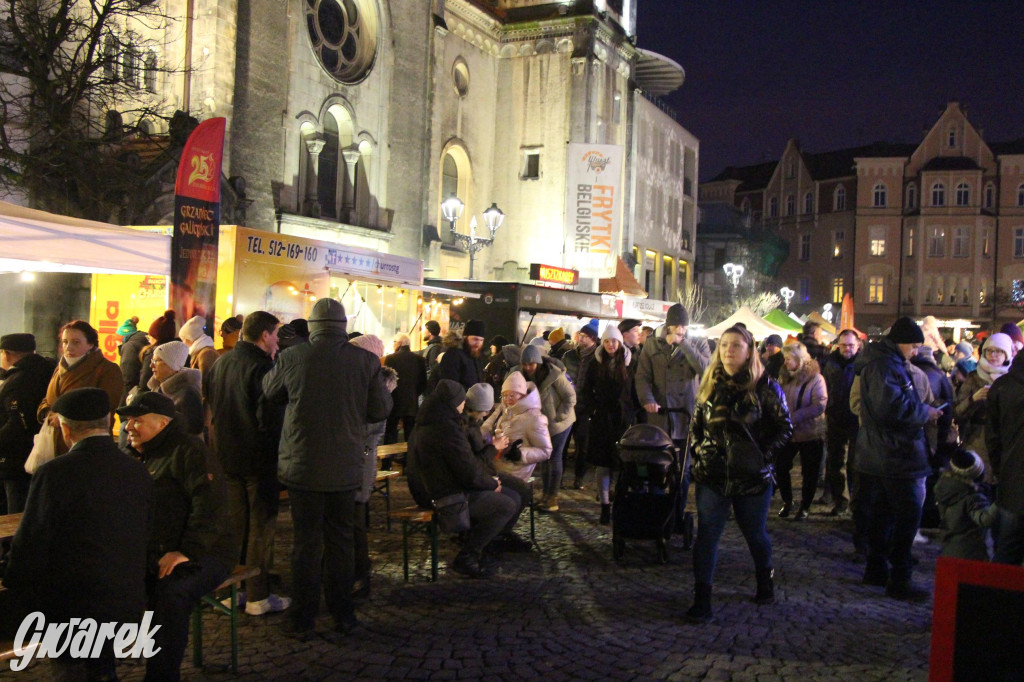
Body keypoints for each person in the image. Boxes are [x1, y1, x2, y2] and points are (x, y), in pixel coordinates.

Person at [262, 298, 392, 637]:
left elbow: (269, 391)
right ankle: (343, 614)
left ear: (314, 325)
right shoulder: (365, 361)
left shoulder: (292, 357)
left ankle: (302, 619)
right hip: (345, 467)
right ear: (343, 325)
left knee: (305, 544)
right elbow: (380, 409)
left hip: (302, 467)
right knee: (341, 542)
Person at [3, 388, 153, 680]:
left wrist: (12, 578)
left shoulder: (55, 473)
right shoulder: (136, 470)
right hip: (125, 597)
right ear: (108, 421)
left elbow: (32, 541)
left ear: (66, 429)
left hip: (72, 607)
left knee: (71, 670)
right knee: (101, 666)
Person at [118, 391, 236, 681]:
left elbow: (210, 506)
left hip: (206, 552)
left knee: (170, 592)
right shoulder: (137, 455)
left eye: (137, 420)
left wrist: (187, 551)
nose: (128, 427)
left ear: (161, 423)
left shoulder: (189, 452)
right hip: (155, 550)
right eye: (128, 421)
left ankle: (161, 675)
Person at [685, 325, 793, 623]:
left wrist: (760, 457)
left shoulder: (765, 387)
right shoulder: (709, 384)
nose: (729, 350)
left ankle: (764, 581)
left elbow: (785, 428)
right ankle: (702, 598)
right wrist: (700, 451)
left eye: (735, 345)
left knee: (755, 534)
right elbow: (696, 425)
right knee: (707, 535)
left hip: (752, 478)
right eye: (723, 345)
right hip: (713, 475)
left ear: (749, 351)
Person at [205, 311, 290, 616]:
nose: (278, 341)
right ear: (265, 335)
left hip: (226, 456)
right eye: (276, 334)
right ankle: (258, 595)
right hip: (257, 458)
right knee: (260, 527)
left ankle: (233, 591)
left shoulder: (221, 362)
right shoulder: (263, 366)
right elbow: (269, 419)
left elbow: (211, 410)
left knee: (236, 526)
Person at [853, 317, 942, 601]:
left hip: (884, 453)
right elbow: (890, 409)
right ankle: (900, 578)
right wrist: (924, 413)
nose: (916, 352)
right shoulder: (884, 366)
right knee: (906, 517)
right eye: (914, 346)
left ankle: (877, 569)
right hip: (896, 455)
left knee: (883, 515)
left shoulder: (886, 363)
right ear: (900, 342)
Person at [407, 380, 518, 578]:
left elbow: (467, 467)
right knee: (506, 504)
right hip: (442, 495)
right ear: (454, 403)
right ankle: (467, 556)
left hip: (433, 488)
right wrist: (492, 484)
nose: (464, 405)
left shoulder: (431, 421)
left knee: (512, 495)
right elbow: (469, 471)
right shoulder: (446, 429)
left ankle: (484, 544)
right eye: (461, 401)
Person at [635, 303, 711, 524]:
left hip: (685, 416)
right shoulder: (652, 345)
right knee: (657, 468)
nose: (680, 329)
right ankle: (658, 511)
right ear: (668, 325)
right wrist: (648, 399)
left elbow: (706, 369)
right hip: (660, 417)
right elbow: (642, 377)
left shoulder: (697, 342)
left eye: (683, 326)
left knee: (683, 471)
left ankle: (677, 512)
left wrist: (685, 345)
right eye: (677, 325)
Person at [349, 333, 398, 597]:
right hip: (354, 461)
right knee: (350, 520)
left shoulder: (374, 387)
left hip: (360, 462)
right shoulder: (364, 383)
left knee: (356, 520)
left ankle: (359, 573)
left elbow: (370, 427)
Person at [37, 319, 123, 456]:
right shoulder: (60, 368)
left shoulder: (107, 369)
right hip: (54, 442)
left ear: (90, 344)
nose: (68, 347)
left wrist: (63, 417)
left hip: (87, 445)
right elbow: (48, 399)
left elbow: (105, 406)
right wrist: (48, 413)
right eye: (65, 342)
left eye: (76, 342)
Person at [578, 327, 634, 525]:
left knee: (620, 464)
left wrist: (632, 414)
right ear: (603, 343)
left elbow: (633, 391)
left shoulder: (629, 362)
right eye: (608, 341)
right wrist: (593, 408)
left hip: (621, 421)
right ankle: (604, 505)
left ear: (620, 343)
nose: (611, 345)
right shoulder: (595, 362)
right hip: (602, 420)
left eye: (614, 341)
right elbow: (585, 389)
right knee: (602, 464)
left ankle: (618, 502)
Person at [516, 343, 576, 511]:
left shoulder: (554, 374)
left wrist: (559, 417)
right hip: (541, 424)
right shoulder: (523, 377)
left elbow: (570, 397)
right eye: (525, 364)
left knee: (554, 458)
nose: (528, 367)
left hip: (559, 424)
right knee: (544, 459)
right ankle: (544, 495)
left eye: (531, 364)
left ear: (538, 362)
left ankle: (553, 498)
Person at [0, 334, 55, 512]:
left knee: (15, 512)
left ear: (6, 354)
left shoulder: (17, 380)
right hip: (42, 453)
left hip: (16, 459)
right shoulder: (48, 370)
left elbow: (17, 423)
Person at [775, 341, 827, 520]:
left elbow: (819, 404)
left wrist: (793, 417)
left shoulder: (816, 379)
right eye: (785, 358)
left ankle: (805, 506)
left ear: (800, 359)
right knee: (780, 466)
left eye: (789, 358)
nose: (786, 362)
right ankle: (787, 501)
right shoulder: (784, 377)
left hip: (810, 432)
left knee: (809, 471)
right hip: (787, 433)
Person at [954, 332, 1012, 482]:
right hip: (978, 439)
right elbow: (957, 412)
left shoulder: (1012, 379)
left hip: (1005, 439)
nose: (993, 355)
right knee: (979, 483)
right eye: (989, 350)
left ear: (1007, 353)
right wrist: (973, 399)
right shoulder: (973, 377)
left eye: (998, 351)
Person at [986, 349, 1024, 565]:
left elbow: (993, 438)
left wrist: (1001, 470)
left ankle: (999, 596)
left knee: (1007, 547)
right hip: (1012, 474)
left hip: (1012, 478)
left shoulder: (1001, 386)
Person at [481, 371, 552, 482]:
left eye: (512, 395)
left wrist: (520, 454)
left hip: (514, 474)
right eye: (504, 395)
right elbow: (486, 426)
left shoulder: (535, 418)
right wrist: (486, 439)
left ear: (522, 395)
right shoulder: (504, 408)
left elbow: (545, 450)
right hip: (494, 467)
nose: (507, 399)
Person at [822, 329, 861, 517]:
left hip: (857, 420)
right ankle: (841, 501)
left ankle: (855, 501)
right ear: (838, 345)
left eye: (851, 345)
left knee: (855, 463)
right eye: (844, 345)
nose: (847, 349)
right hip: (835, 417)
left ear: (858, 345)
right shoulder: (830, 363)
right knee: (835, 462)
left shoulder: (864, 364)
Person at [934, 449, 997, 561]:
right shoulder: (972, 497)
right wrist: (1001, 500)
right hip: (971, 553)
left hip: (949, 549)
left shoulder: (944, 486)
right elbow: (984, 519)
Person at [563, 321, 599, 489]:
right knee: (562, 444)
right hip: (567, 407)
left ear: (593, 339)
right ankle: (559, 477)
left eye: (585, 337)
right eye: (580, 335)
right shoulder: (569, 356)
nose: (581, 339)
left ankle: (579, 478)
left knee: (582, 446)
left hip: (585, 408)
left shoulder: (598, 357)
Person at [145, 340, 205, 437]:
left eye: (156, 361)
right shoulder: (157, 387)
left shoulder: (187, 393)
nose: (151, 365)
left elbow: (194, 428)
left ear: (171, 364)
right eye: (152, 361)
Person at [384, 332, 427, 444]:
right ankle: (408, 460)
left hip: (394, 403)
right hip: (411, 403)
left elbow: (387, 382)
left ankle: (387, 461)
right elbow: (423, 383)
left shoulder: (390, 358)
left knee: (390, 434)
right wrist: (414, 394)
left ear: (399, 343)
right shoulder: (420, 359)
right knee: (410, 436)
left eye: (394, 342)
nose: (393, 345)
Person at [137, 310, 179, 397]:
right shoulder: (178, 352)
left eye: (150, 337)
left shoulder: (154, 354)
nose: (148, 340)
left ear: (157, 338)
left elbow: (145, 383)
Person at [439, 319, 486, 390]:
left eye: (481, 340)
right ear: (465, 337)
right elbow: (450, 385)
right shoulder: (453, 355)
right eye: (475, 339)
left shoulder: (476, 356)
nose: (478, 344)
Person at [118, 316, 149, 406]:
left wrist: (123, 405)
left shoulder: (130, 347)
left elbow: (128, 377)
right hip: (144, 395)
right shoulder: (143, 341)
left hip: (132, 398)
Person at [179, 315, 220, 381]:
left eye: (183, 339)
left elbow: (204, 381)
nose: (183, 342)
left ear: (190, 338)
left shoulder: (206, 354)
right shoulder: (201, 352)